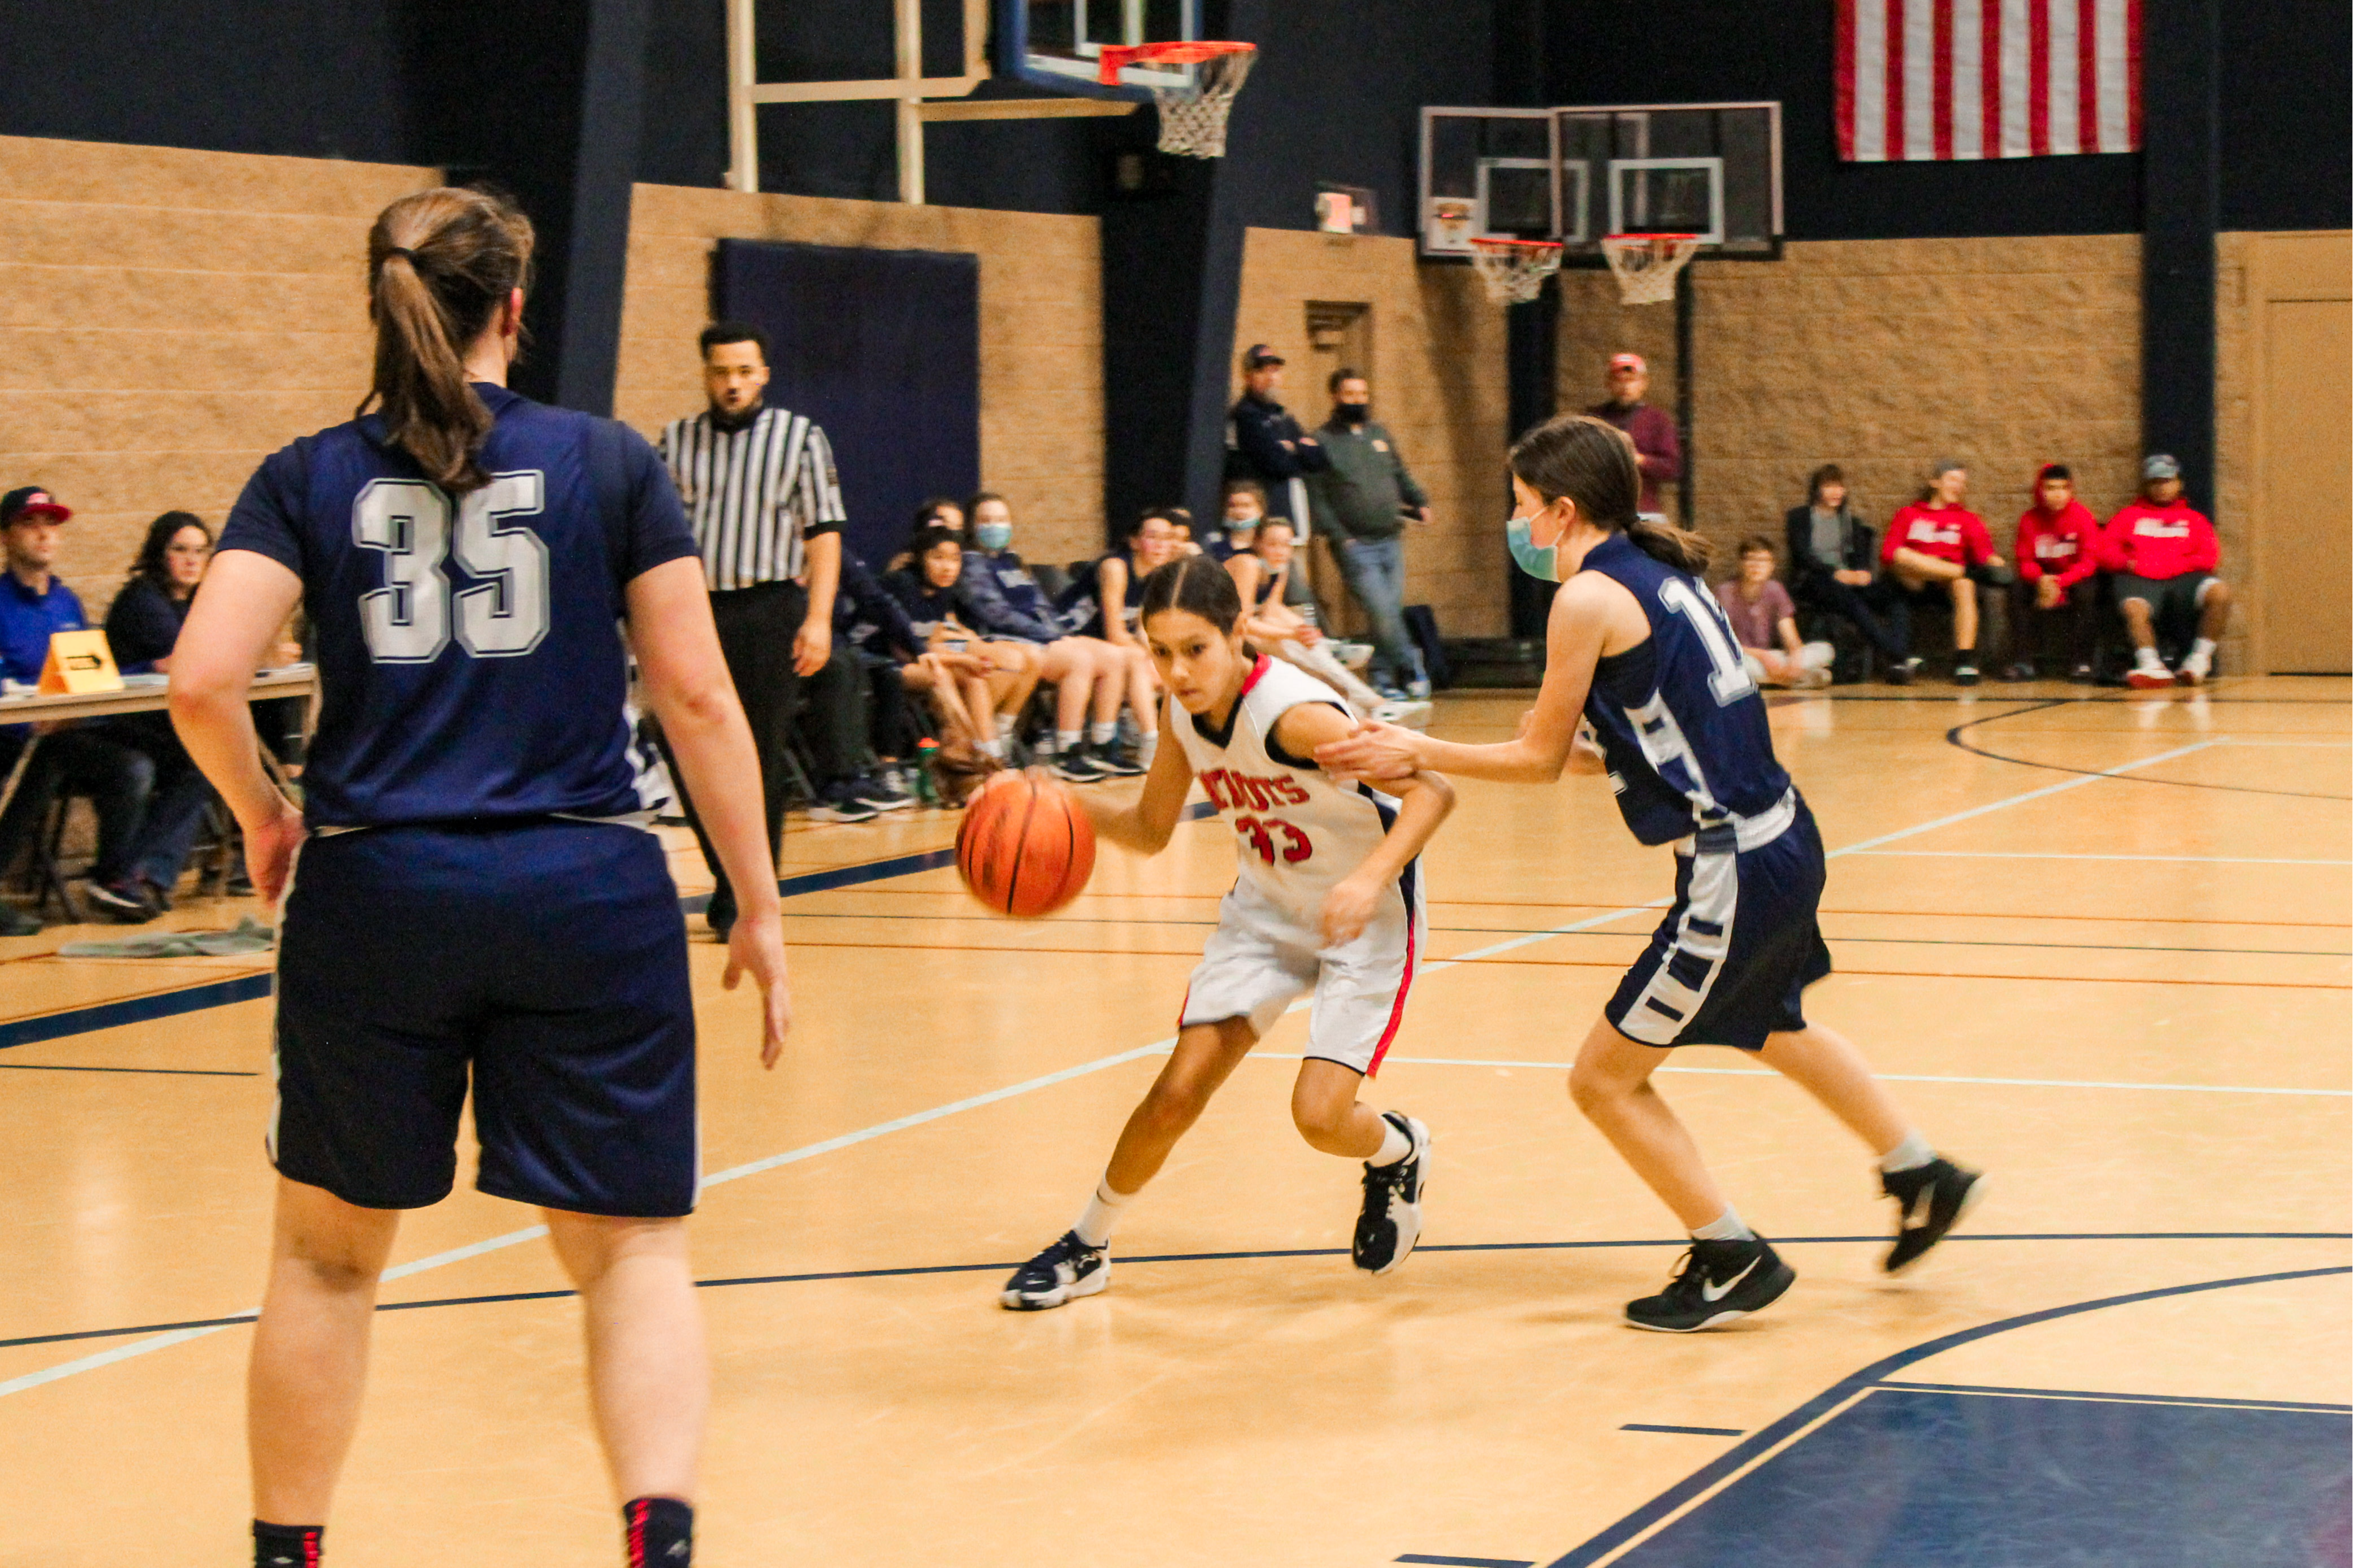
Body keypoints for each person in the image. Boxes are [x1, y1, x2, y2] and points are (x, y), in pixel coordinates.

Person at [166, 186, 790, 1568]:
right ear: (516, 305)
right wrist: (754, 894)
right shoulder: (608, 459)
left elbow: (202, 677)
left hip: (378, 888)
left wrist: (267, 813)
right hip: (586, 886)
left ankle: (289, 1551)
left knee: (327, 1260)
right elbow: (694, 697)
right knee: (630, 1252)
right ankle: (657, 1536)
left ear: (379, 302)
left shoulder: (305, 473)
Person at [1318, 414, 1981, 1332]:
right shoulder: (1666, 570)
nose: (1515, 529)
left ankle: (1728, 1256)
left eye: (1519, 510)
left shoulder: (1585, 599)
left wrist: (1413, 745)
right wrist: (1431, 748)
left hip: (1731, 865)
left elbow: (1538, 757)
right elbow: (1614, 750)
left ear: (1559, 511)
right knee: (1771, 1020)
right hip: (1784, 836)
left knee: (1602, 1079)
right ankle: (1920, 1171)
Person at [1000, 555, 1453, 1310]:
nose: (1176, 670)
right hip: (1267, 911)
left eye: (1194, 648)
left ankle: (1398, 1149)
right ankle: (1086, 1244)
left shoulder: (1294, 714)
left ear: (1236, 631)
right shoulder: (1182, 712)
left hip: (1364, 918)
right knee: (1175, 1092)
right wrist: (1058, 804)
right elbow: (1149, 830)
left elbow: (1430, 793)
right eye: (1160, 650)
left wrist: (1366, 877)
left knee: (1317, 1116)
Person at [656, 320, 843, 938]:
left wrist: (817, 618)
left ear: (763, 373)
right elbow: (659, 538)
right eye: (721, 371)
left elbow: (823, 532)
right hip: (696, 611)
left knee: (756, 755)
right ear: (705, 374)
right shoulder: (676, 441)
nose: (732, 383)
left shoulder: (800, 438)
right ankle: (726, 877)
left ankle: (751, 898)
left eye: (744, 371)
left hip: (769, 609)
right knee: (683, 746)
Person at [0, 485, 157, 932]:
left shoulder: (66, 602)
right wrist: (32, 707)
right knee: (41, 763)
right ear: (6, 537)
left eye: (51, 524)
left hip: (67, 731)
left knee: (134, 766)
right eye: (30, 524)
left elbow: (90, 667)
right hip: (13, 737)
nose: (44, 534)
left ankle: (112, 878)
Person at [959, 491, 1140, 781]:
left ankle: (1103, 745)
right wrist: (1048, 635)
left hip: (1042, 635)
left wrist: (1057, 631)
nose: (995, 526)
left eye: (1002, 520)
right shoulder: (970, 564)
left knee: (1114, 656)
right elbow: (994, 613)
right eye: (987, 520)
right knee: (1079, 661)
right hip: (1005, 640)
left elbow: (1041, 603)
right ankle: (1066, 751)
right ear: (972, 526)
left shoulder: (1014, 560)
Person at [100, 511, 229, 910]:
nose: (192, 560)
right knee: (204, 758)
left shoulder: (194, 602)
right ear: (160, 553)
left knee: (210, 756)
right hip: (112, 723)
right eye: (180, 550)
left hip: (162, 724)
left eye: (200, 551)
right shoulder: (143, 600)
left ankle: (146, 872)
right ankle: (135, 872)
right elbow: (199, 656)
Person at [1310, 369, 1432, 702]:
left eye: (1362, 394)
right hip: (1355, 545)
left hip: (1390, 539)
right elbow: (1317, 497)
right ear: (1336, 396)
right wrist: (1339, 536)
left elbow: (1399, 473)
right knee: (1382, 609)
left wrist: (1418, 501)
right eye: (1350, 394)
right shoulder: (1322, 441)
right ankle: (1410, 665)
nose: (1358, 400)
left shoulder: (1380, 434)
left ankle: (1382, 677)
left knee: (1388, 613)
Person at [1228, 518, 1423, 726]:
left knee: (1310, 649)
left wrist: (1306, 630)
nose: (1281, 551)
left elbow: (1272, 609)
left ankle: (1363, 709)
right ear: (1258, 543)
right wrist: (1293, 634)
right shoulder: (1247, 564)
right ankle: (1376, 703)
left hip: (1245, 629)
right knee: (1297, 648)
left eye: (1286, 544)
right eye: (1273, 544)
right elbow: (1242, 623)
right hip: (1223, 632)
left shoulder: (1280, 567)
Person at [885, 525, 1040, 763]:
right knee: (941, 674)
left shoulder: (943, 592)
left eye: (955, 559)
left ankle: (990, 754)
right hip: (883, 662)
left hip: (919, 660)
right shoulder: (903, 585)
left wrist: (969, 659)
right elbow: (903, 653)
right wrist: (963, 659)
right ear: (919, 558)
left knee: (973, 677)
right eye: (938, 558)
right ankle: (968, 750)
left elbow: (933, 643)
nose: (948, 567)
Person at [1058, 509, 1182, 770]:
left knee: (1162, 667)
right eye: (1153, 536)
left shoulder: (1156, 574)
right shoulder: (1115, 567)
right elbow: (1115, 633)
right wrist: (1150, 657)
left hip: (1104, 647)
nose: (1161, 544)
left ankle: (1152, 740)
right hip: (1066, 634)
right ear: (1135, 541)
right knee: (1137, 658)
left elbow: (1142, 631)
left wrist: (1162, 659)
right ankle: (1151, 739)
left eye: (1168, 538)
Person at [2103, 454, 2231, 689]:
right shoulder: (2127, 517)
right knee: (2134, 608)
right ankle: (2151, 665)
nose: (2162, 487)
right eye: (2156, 482)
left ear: (2179, 484)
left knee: (2220, 593)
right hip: (2140, 579)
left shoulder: (2195, 520)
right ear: (2147, 485)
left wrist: (2170, 566)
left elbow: (2209, 558)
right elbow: (2104, 552)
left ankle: (2199, 661)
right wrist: (2129, 564)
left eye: (2167, 481)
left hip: (2183, 581)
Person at [1880, 461, 2010, 686]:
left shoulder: (1967, 519)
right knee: (1903, 556)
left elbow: (1984, 554)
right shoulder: (1909, 514)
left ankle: (1965, 660)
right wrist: (1933, 565)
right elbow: (1890, 554)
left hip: (1948, 584)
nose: (1958, 486)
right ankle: (1964, 571)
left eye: (1962, 483)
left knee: (1965, 584)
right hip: (1914, 579)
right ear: (1936, 482)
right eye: (1953, 480)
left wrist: (1995, 562)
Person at [1782, 464, 1906, 673]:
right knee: (1851, 600)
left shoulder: (1850, 522)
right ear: (1817, 490)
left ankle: (1898, 655)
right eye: (1829, 486)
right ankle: (1897, 655)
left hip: (1848, 579)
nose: (1836, 492)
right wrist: (1835, 573)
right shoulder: (1799, 518)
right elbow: (1803, 556)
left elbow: (1860, 556)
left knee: (1895, 598)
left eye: (1839, 487)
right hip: (1815, 580)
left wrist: (1863, 572)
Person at [1225, 344, 1330, 552]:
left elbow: (1320, 460)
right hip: (1265, 527)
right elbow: (1278, 464)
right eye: (1262, 371)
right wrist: (1301, 449)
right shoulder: (1246, 416)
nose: (1271, 377)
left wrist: (1294, 448)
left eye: (1275, 371)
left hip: (1290, 523)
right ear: (1248, 377)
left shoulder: (1282, 416)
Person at [2008, 463, 2103, 682]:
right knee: (2017, 590)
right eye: (2051, 488)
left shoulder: (2083, 517)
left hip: (2072, 575)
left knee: (2087, 593)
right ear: (2041, 490)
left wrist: (2060, 582)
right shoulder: (2029, 519)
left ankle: (2082, 663)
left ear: (2070, 490)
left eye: (2062, 488)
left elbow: (2089, 562)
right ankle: (2024, 663)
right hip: (2042, 575)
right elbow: (2025, 561)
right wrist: (2041, 580)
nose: (2057, 494)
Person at [1713, 536, 1834, 689]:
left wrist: (1795, 660)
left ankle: (1781, 678)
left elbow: (1790, 636)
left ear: (1772, 566)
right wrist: (1762, 656)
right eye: (1751, 560)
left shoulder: (1775, 590)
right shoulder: (1725, 593)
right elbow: (1721, 641)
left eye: (1763, 561)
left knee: (1826, 650)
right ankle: (1794, 680)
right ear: (1741, 563)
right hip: (1743, 656)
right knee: (1727, 664)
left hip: (1772, 658)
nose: (1757, 566)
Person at [1586, 353, 1681, 517]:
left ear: (1644, 384)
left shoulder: (1657, 419)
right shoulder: (1594, 418)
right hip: (1603, 513)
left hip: (1645, 513)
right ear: (1609, 383)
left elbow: (1673, 468)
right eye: (1619, 380)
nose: (1626, 387)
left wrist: (1639, 460)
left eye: (1632, 381)